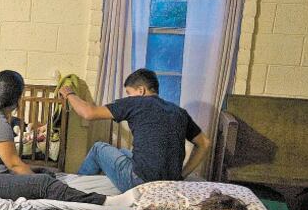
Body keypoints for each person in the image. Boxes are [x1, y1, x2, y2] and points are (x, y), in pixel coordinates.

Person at [0, 70, 105, 204]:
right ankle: (101, 201)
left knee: (45, 173)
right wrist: (35, 181)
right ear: (15, 98)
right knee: (44, 183)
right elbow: (14, 164)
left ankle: (56, 188)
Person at [58, 68, 211, 193]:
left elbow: (88, 113)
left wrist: (69, 93)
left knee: (99, 148)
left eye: (129, 93)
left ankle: (71, 189)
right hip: (170, 182)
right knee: (124, 152)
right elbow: (204, 143)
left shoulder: (136, 103)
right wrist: (182, 175)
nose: (129, 97)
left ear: (141, 90)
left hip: (140, 182)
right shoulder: (179, 112)